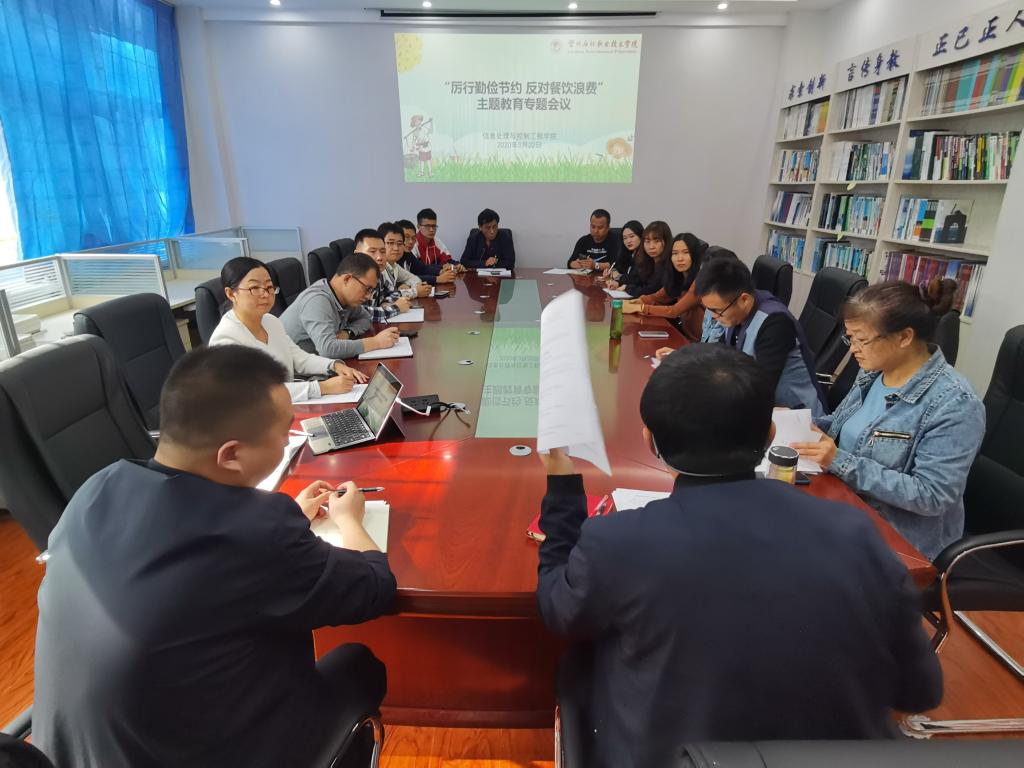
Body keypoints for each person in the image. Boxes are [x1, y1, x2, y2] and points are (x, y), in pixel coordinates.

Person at [536, 344, 942, 768]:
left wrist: (562, 489)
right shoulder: (856, 534)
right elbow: (919, 691)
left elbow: (559, 610)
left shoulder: (618, 543)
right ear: (770, 434)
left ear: (650, 441)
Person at [33, 345, 397, 767]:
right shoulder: (255, 530)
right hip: (193, 752)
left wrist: (288, 522)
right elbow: (375, 587)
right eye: (284, 432)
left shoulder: (99, 486)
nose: (288, 441)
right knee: (359, 665)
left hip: (71, 752)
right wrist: (349, 520)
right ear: (231, 454)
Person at [793, 282, 985, 560]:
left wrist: (839, 460)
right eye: (850, 338)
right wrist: (798, 424)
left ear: (904, 337)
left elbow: (933, 496)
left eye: (862, 340)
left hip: (899, 540)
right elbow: (843, 425)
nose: (853, 349)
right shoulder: (874, 371)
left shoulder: (955, 403)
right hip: (845, 504)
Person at [209, 257, 368, 402]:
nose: (265, 294)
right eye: (254, 287)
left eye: (269, 287)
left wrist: (334, 365)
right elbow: (260, 392)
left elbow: (298, 358)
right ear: (231, 294)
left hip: (287, 405)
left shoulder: (271, 321)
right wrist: (322, 388)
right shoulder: (226, 340)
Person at [695, 257, 826, 417]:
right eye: (709, 310)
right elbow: (720, 353)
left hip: (798, 418)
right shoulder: (734, 312)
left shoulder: (774, 323)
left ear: (744, 299)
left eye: (717, 310)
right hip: (761, 409)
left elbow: (761, 388)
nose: (714, 317)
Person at [280, 252, 399, 359]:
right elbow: (328, 349)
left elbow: (366, 318)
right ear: (347, 279)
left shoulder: (345, 299)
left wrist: (347, 333)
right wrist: (376, 342)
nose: (368, 296)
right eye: (367, 289)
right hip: (291, 371)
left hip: (315, 363)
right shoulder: (317, 300)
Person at [622, 233, 707, 341]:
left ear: (695, 255)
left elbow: (674, 311)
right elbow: (656, 297)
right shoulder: (679, 277)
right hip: (684, 336)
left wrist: (641, 308)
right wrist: (636, 301)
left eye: (686, 253)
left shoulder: (701, 280)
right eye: (675, 253)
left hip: (700, 343)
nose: (679, 258)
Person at [352, 227, 413, 323]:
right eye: (372, 251)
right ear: (357, 255)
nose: (379, 257)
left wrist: (385, 302)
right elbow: (360, 315)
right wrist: (396, 308)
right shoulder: (353, 280)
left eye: (383, 251)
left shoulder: (378, 275)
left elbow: (392, 293)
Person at [607, 220, 670, 298]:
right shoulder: (648, 259)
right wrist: (619, 282)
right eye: (647, 241)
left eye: (656, 241)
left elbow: (651, 290)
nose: (651, 246)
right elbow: (639, 280)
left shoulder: (667, 265)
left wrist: (627, 287)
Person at [379, 221, 432, 298]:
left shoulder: (394, 266)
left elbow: (414, 278)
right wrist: (415, 292)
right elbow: (384, 298)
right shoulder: (378, 268)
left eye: (400, 243)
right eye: (391, 243)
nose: (396, 248)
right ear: (380, 244)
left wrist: (408, 285)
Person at [396, 218, 456, 286]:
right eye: (407, 237)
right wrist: (437, 279)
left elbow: (423, 268)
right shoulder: (393, 259)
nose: (411, 242)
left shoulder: (408, 254)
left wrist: (441, 270)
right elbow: (407, 279)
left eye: (413, 238)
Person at [412, 208, 465, 273]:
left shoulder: (436, 241)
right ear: (418, 226)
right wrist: (442, 267)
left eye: (434, 226)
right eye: (427, 226)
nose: (431, 230)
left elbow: (448, 260)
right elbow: (418, 268)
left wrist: (457, 265)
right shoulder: (413, 243)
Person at [607, 219, 643, 283]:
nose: (628, 241)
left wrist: (618, 277)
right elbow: (618, 269)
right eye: (625, 238)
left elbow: (636, 280)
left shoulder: (645, 257)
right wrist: (611, 272)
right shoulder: (627, 253)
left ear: (641, 236)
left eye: (632, 236)